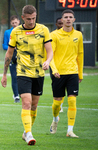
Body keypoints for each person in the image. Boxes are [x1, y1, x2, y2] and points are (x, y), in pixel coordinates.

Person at [1, 5, 53, 145]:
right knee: (26, 103)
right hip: (22, 72)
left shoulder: (44, 30)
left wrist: (48, 61)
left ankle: (26, 131)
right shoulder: (16, 32)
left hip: (39, 72)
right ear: (23, 18)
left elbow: (49, 50)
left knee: (34, 106)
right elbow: (9, 53)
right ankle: (29, 134)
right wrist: (4, 74)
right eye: (28, 19)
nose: (31, 21)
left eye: (34, 18)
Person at [49, 9, 83, 138]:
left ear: (74, 20)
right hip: (58, 73)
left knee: (72, 100)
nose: (68, 19)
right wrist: (54, 70)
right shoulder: (54, 35)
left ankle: (70, 131)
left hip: (72, 72)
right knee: (57, 103)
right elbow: (50, 55)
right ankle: (55, 119)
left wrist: (80, 73)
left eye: (70, 17)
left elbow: (80, 54)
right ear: (61, 20)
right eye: (66, 17)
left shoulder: (78, 35)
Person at [3, 15, 20, 103]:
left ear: (19, 22)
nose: (14, 24)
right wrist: (12, 47)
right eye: (13, 23)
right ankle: (16, 96)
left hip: (22, 57)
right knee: (14, 77)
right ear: (11, 23)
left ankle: (22, 93)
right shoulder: (7, 32)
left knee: (22, 77)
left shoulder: (22, 31)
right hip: (12, 56)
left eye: (16, 22)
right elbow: (4, 45)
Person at [50, 17, 64, 113]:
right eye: (59, 23)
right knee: (57, 86)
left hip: (66, 66)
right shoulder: (52, 35)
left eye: (62, 23)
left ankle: (61, 105)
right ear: (56, 24)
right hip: (54, 65)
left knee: (65, 86)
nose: (61, 25)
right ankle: (57, 103)